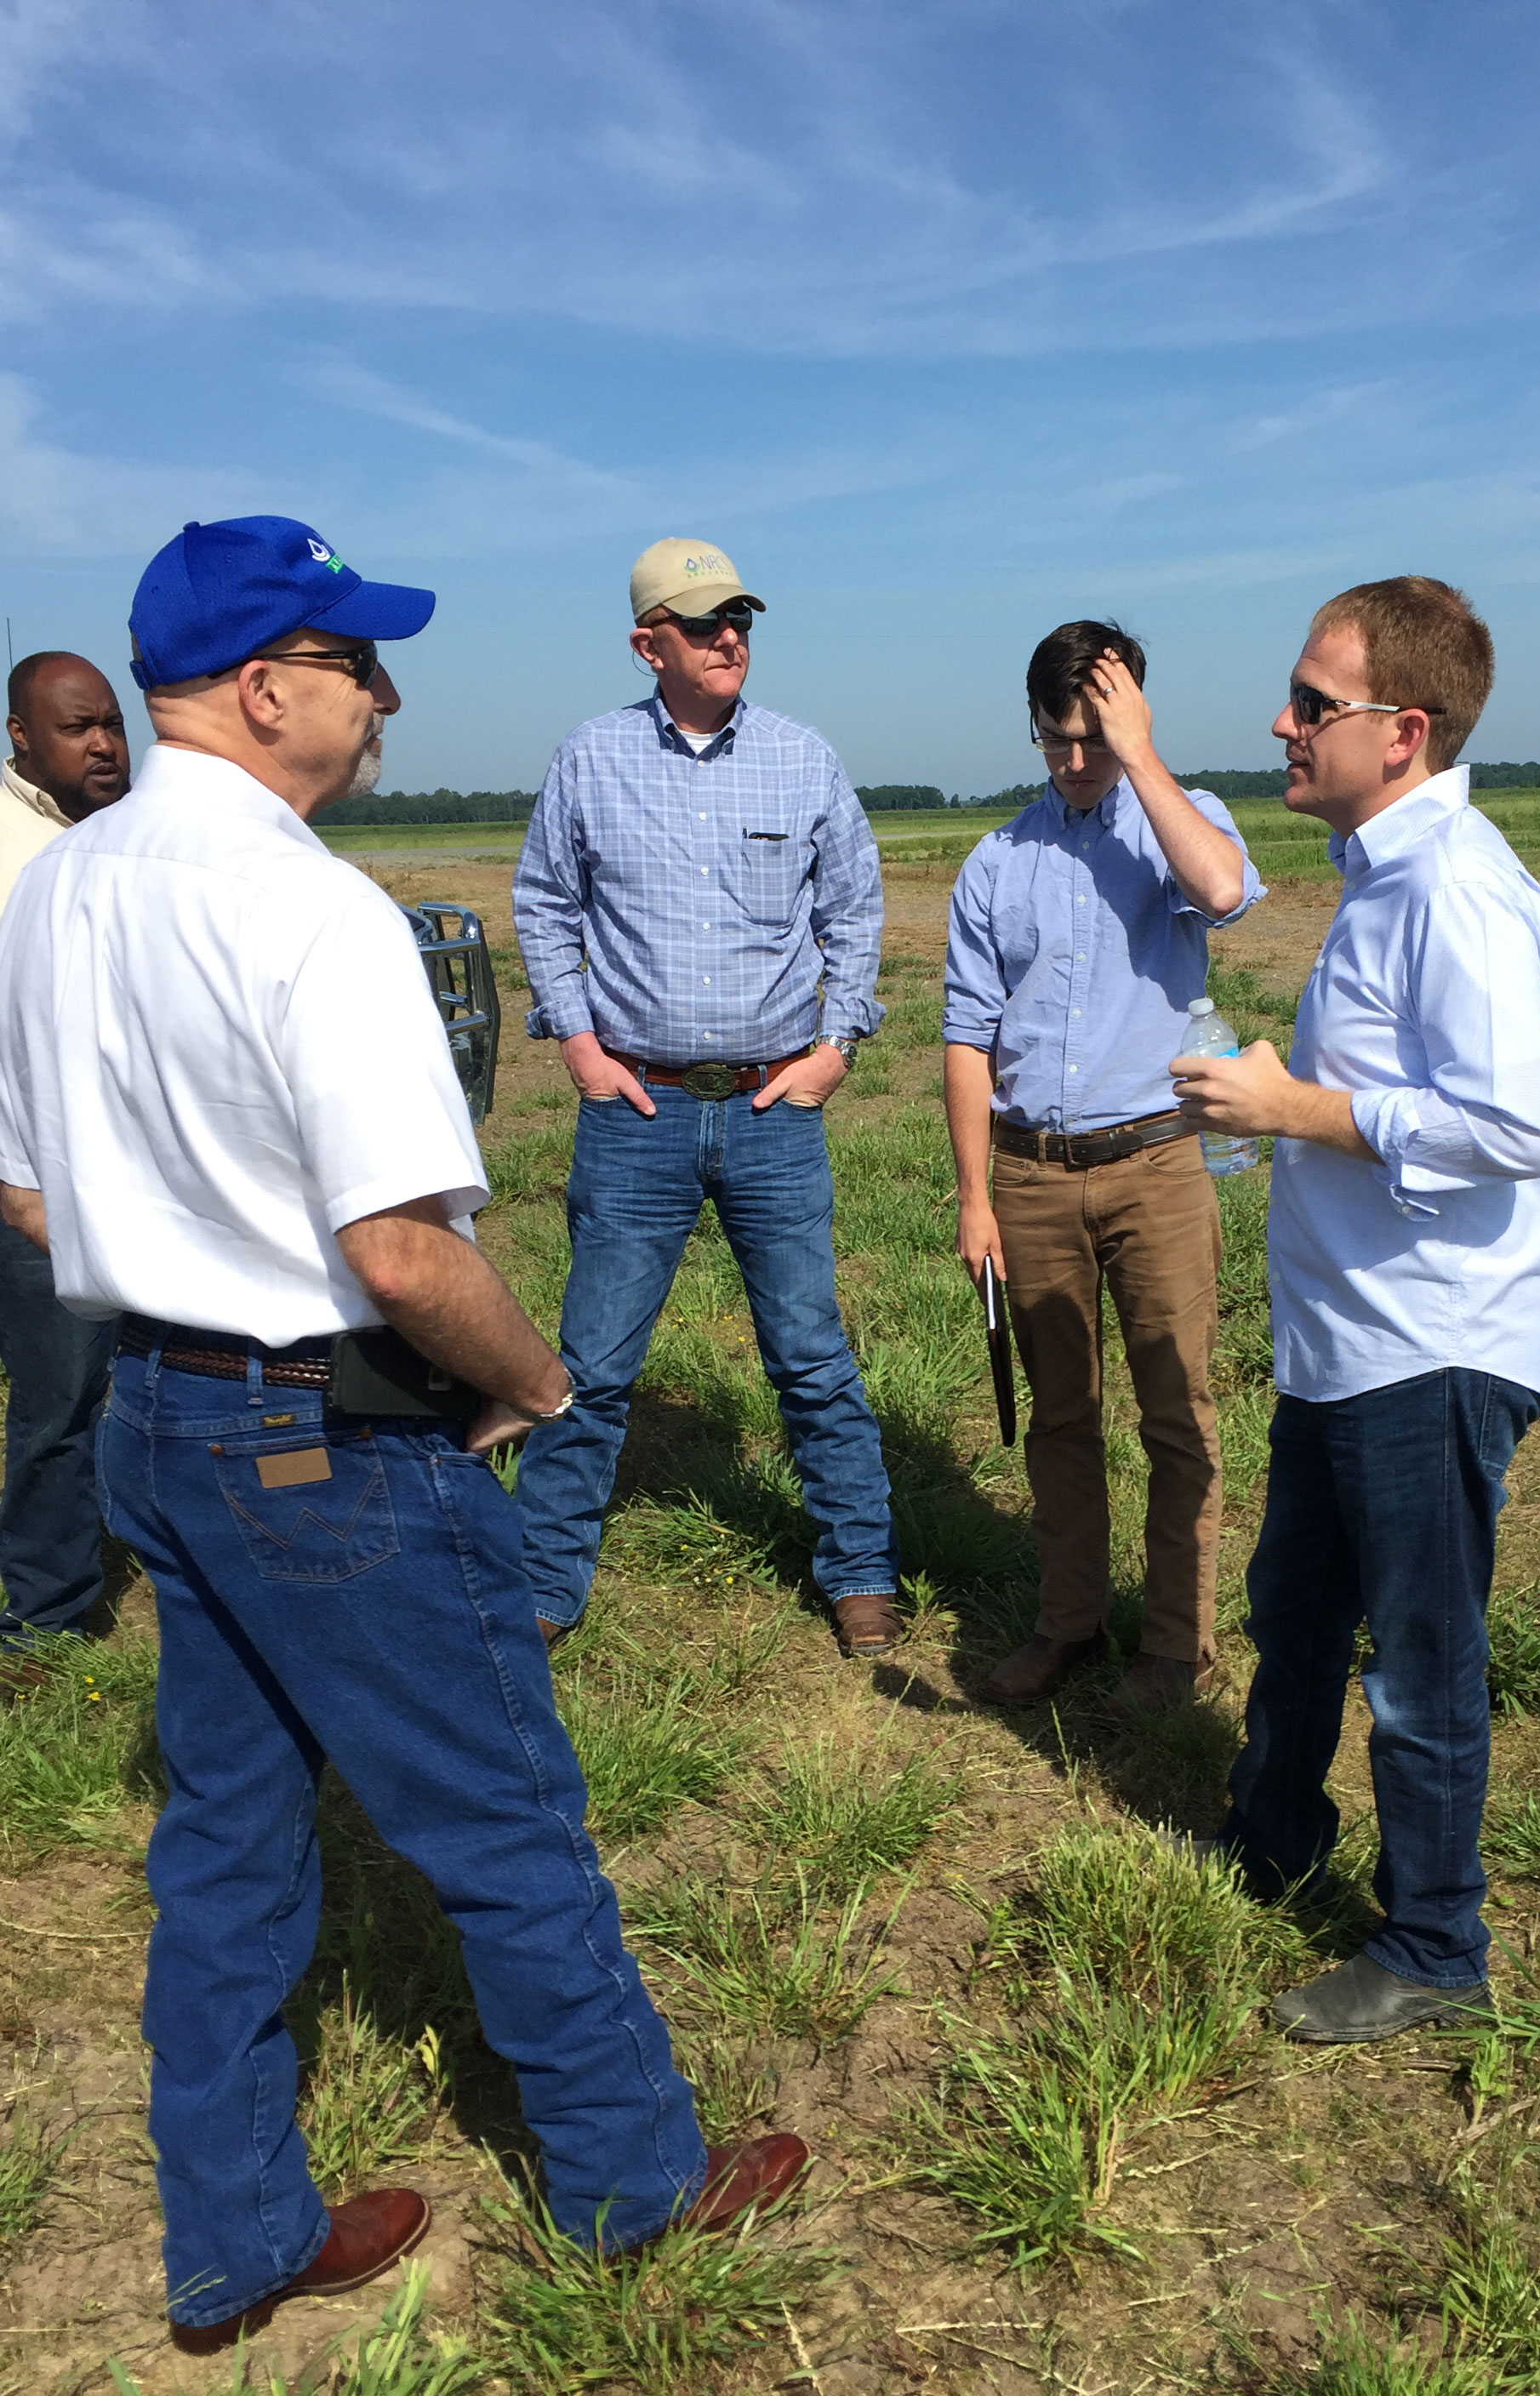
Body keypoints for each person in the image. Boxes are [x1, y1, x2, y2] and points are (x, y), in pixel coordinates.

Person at [0, 516, 805, 2355]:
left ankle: (233, 2236)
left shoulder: (52, 890)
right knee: (506, 1816)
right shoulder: (311, 907)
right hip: (324, 1436)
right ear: (266, 686)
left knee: (221, 1846)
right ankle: (627, 2176)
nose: (384, 694)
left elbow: (26, 1196)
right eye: (358, 662)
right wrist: (532, 1384)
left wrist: (178, 1249)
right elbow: (399, 1253)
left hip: (154, 1418)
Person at [1172, 576, 1540, 2044]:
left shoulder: (1458, 890)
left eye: (1308, 702)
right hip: (1349, 1341)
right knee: (1291, 1618)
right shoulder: (1382, 878)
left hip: (1434, 1339)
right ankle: (1274, 1839)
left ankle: (1433, 1946)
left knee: (1416, 1665)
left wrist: (1294, 1103)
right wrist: (1296, 1102)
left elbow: (1511, 1125)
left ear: (1398, 731)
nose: (1279, 725)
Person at [511, 537, 900, 1658]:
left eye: (739, 618)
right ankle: (542, 1585)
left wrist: (835, 1048)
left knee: (812, 1353)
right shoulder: (588, 760)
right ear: (649, 645)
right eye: (701, 623)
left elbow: (856, 911)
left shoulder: (802, 758)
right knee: (591, 1363)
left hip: (776, 1110)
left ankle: (862, 1569)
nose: (728, 636)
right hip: (639, 1111)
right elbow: (545, 904)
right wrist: (580, 1046)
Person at [944, 620, 1263, 1711]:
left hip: (1157, 1164)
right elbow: (965, 1037)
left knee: (1177, 1412)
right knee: (1060, 1415)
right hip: (1032, 1175)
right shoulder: (997, 860)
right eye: (1054, 740)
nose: (1073, 763)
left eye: (1090, 737)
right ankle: (1067, 1622)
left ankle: (1175, 1647)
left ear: (1126, 719)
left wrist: (1141, 758)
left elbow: (1221, 890)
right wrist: (974, 1196)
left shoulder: (1182, 820)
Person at [0, 653, 131, 1686]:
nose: (103, 745)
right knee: (56, 1399)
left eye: (113, 725)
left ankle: (73, 1589)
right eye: (79, 727)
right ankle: (45, 1609)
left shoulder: (116, 843)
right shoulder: (18, 852)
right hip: (32, 1178)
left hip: (106, 1170)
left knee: (104, 1388)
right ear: (21, 739)